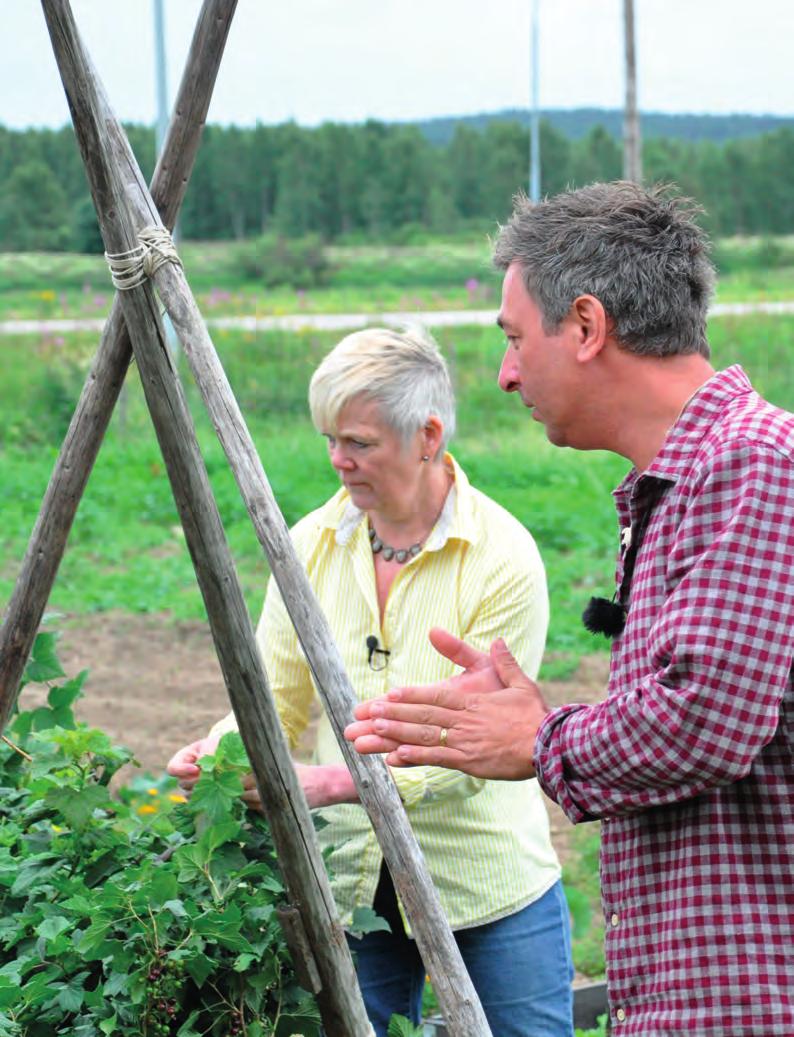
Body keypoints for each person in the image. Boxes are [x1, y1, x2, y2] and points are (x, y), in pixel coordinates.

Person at [345, 183, 794, 1036]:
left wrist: (535, 738)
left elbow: (704, 720)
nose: (507, 373)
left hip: (753, 999)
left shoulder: (754, 467)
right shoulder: (689, 484)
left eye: (516, 339)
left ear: (587, 327)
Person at [167, 326, 574, 1037]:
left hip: (484, 884)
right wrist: (222, 754)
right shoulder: (309, 546)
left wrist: (335, 781)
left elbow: (477, 751)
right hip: (351, 881)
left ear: (427, 435)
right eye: (330, 438)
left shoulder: (502, 558)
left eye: (359, 442)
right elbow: (275, 700)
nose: (338, 460)